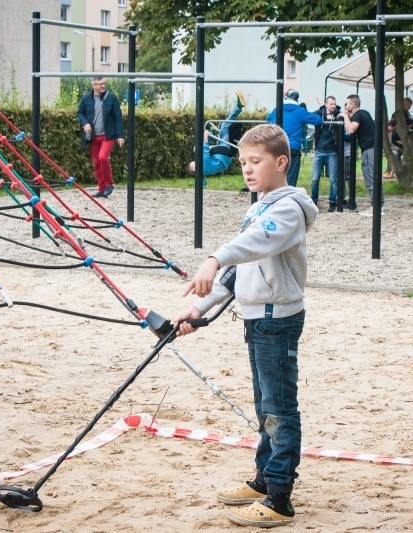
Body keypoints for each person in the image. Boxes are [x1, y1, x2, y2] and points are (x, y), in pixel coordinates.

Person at [173, 124, 318, 528]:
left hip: (277, 319)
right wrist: (198, 310)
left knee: (279, 408)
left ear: (281, 162)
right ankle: (262, 478)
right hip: (256, 318)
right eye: (243, 163)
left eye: (256, 162)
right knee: (264, 405)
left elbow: (252, 244)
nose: (247, 170)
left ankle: (279, 498)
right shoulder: (257, 207)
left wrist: (214, 257)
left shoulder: (288, 209)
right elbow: (237, 271)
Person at [77, 77, 125, 198]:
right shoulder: (86, 98)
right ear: (94, 85)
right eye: (101, 84)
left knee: (103, 157)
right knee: (97, 163)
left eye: (104, 83)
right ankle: (102, 189)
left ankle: (109, 185)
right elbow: (80, 113)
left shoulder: (111, 98)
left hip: (108, 135)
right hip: (93, 137)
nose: (103, 86)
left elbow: (118, 117)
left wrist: (120, 135)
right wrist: (85, 123)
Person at [266, 89, 321, 187]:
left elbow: (269, 119)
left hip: (277, 147)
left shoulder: (277, 109)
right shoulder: (300, 111)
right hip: (293, 148)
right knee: (290, 180)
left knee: (276, 177)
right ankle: (287, 200)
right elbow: (317, 120)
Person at [188, 91, 246, 179]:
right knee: (197, 149)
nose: (197, 160)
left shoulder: (203, 171)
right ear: (195, 168)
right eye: (195, 162)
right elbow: (205, 152)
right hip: (222, 153)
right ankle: (213, 134)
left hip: (223, 155)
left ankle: (216, 134)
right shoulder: (202, 166)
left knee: (224, 126)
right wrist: (205, 137)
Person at [341, 94, 383, 217]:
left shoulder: (358, 114)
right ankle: (379, 205)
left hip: (369, 149)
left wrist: (345, 117)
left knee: (370, 176)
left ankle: (375, 207)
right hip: (373, 147)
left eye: (347, 103)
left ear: (353, 105)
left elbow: (351, 129)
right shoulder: (364, 113)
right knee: (374, 176)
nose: (346, 105)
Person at [310, 96, 344, 211]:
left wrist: (335, 118)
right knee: (315, 178)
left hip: (332, 151)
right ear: (326, 104)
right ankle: (314, 200)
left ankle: (332, 201)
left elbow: (345, 118)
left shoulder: (338, 115)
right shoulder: (319, 114)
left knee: (333, 179)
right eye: (331, 104)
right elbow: (310, 116)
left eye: (334, 104)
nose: (333, 106)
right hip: (319, 150)